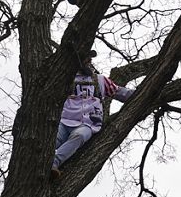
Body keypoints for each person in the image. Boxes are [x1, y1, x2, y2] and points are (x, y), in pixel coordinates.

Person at [51, 50, 135, 179]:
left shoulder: (100, 80)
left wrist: (143, 92)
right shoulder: (65, 80)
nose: (89, 61)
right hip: (64, 121)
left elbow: (120, 92)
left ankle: (54, 163)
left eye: (90, 59)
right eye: (86, 58)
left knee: (78, 136)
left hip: (87, 124)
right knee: (51, 140)